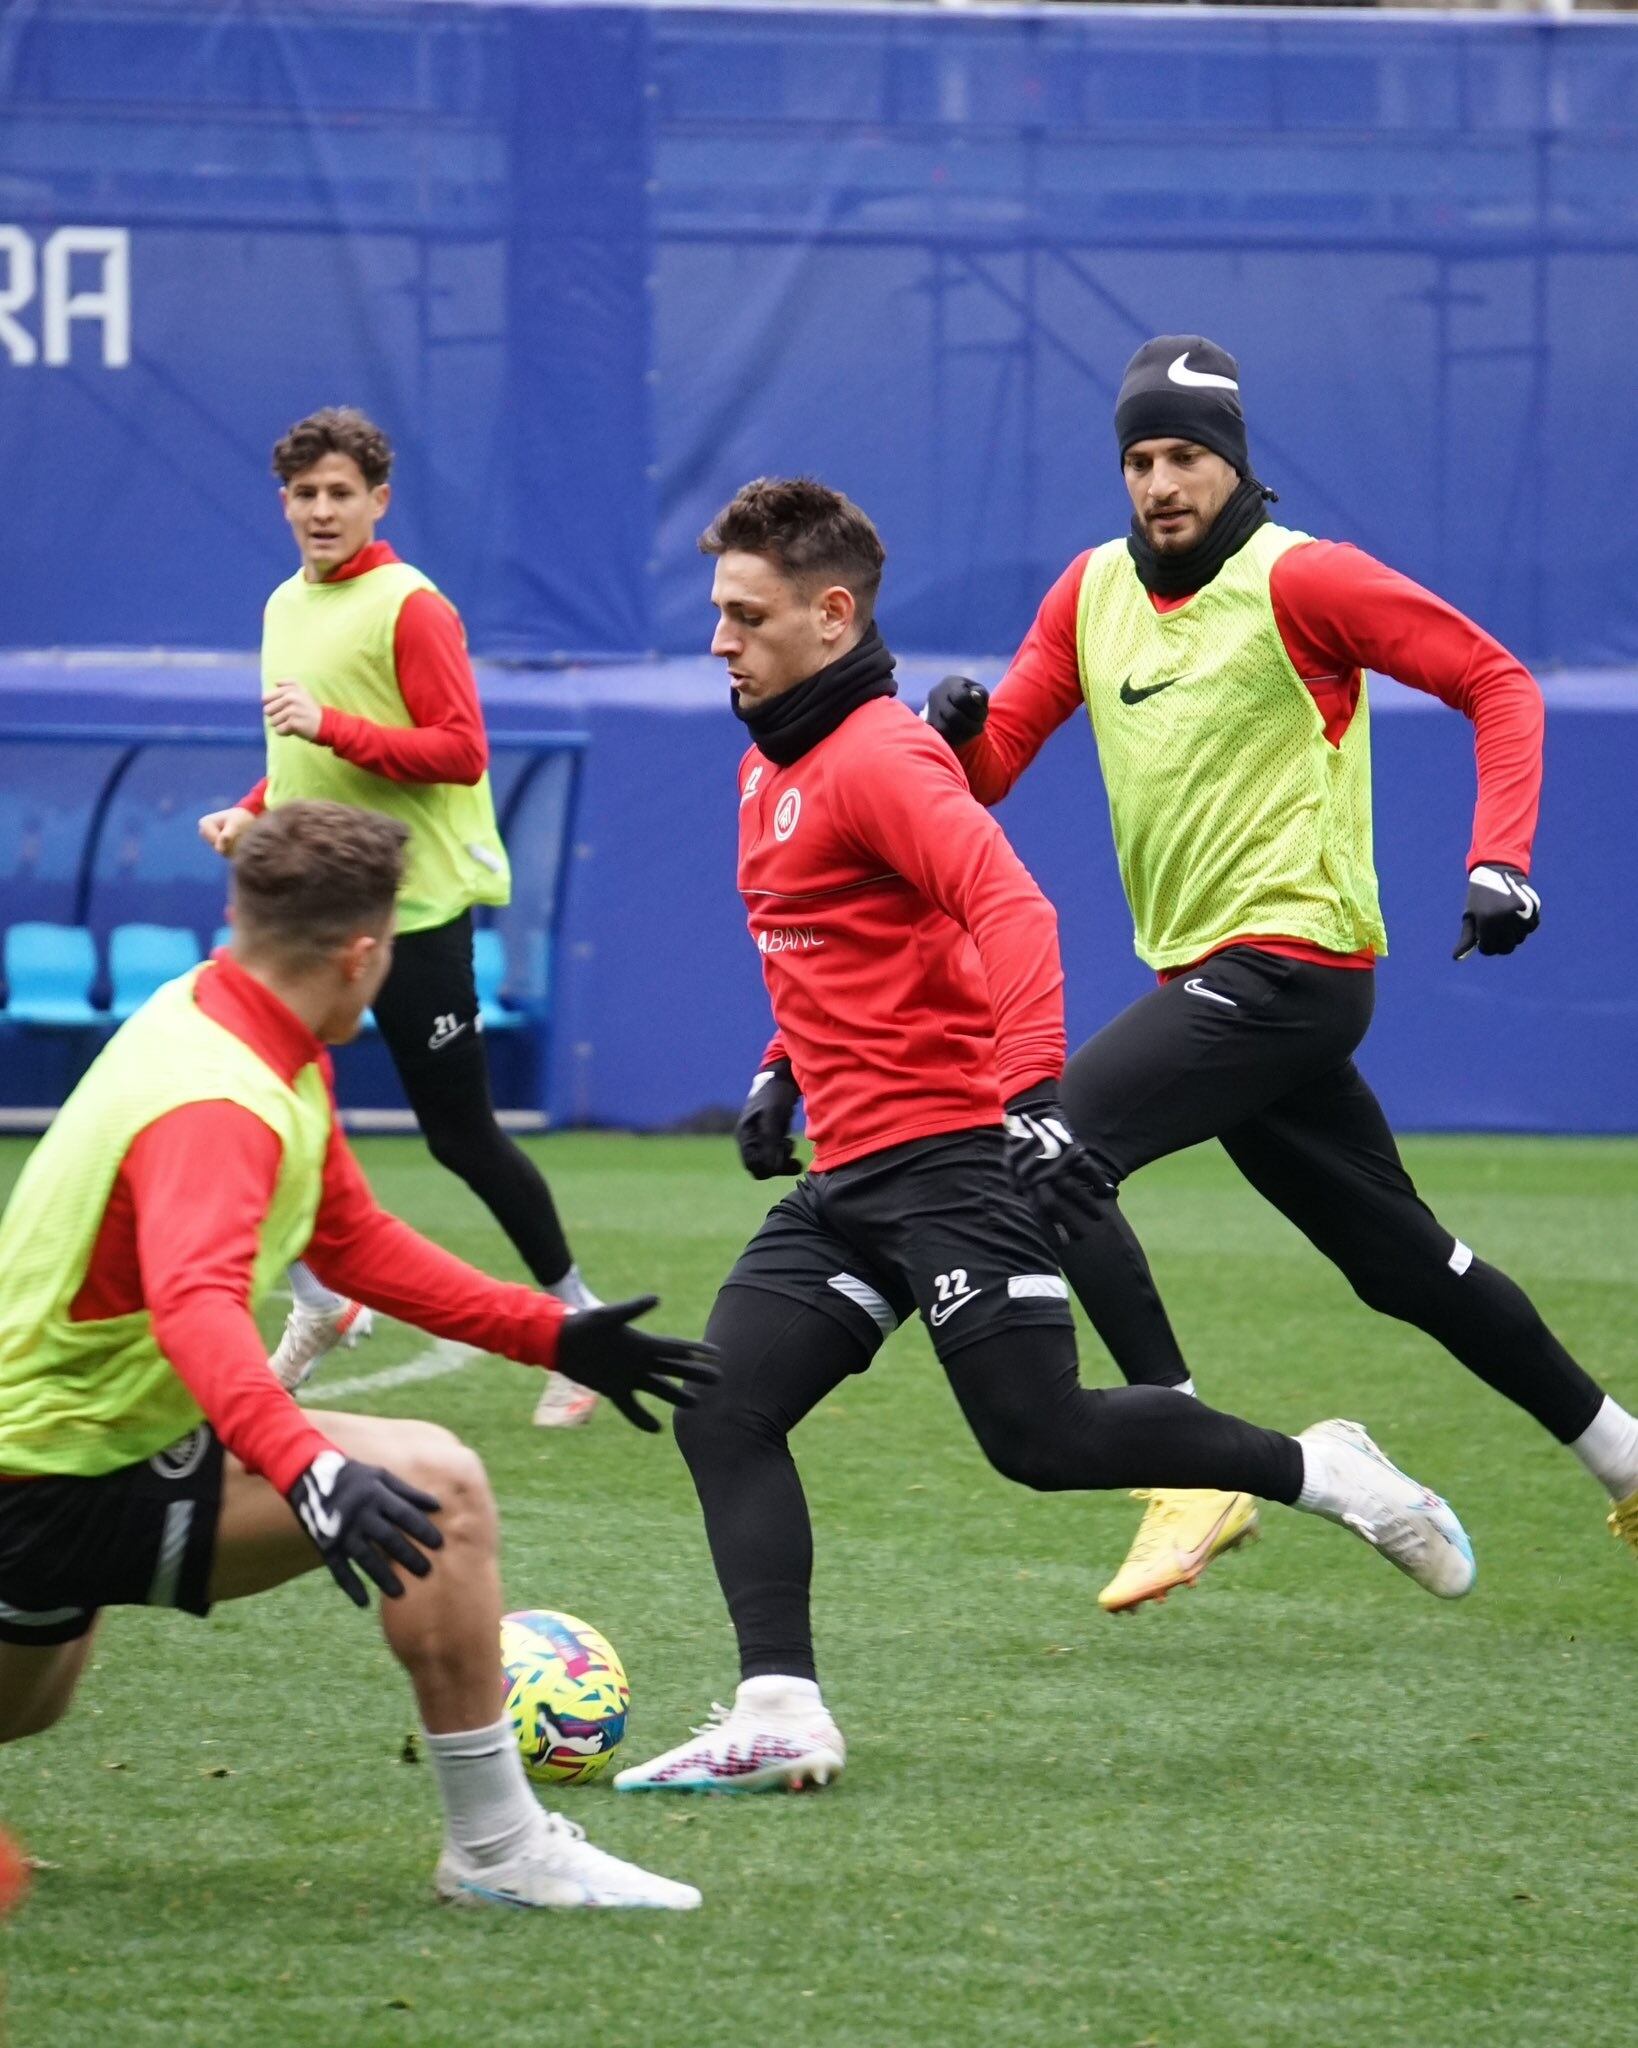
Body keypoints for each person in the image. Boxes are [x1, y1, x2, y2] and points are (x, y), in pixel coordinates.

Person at [613, 477, 1475, 1797]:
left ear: (831, 616)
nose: (718, 640)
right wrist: (778, 1069)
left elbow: (1012, 913)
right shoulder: (765, 763)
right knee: (724, 1408)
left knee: (1040, 1444)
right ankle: (781, 1710)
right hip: (848, 1179)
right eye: (718, 613)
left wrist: (1024, 1099)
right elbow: (850, 949)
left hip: (952, 1161)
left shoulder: (884, 761)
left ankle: (1324, 1471)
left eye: (744, 614)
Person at [923, 334, 1638, 1614]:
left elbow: (1495, 679)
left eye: (1185, 454)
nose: (1159, 481)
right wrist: (957, 735)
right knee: (1404, 1263)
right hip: (1221, 985)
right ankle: (1624, 1455)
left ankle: (1189, 1452)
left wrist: (1503, 858)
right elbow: (991, 776)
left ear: (1235, 462)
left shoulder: (1303, 579)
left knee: (1042, 1143)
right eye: (1139, 458)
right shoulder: (1086, 593)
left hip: (1290, 968)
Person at [0, 802, 716, 1910]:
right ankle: (495, 1849)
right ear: (366, 951)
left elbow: (348, 1238)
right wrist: (309, 1466)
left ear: (240, 912)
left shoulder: (228, 1012)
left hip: (96, 1442)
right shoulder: (219, 1098)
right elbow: (193, 1302)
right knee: (443, 1485)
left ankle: (494, 1848)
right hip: (52, 1476)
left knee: (29, 1703)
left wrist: (552, 1331)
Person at [199, 407, 600, 1428]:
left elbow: (460, 748)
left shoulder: (411, 605)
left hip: (409, 911)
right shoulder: (283, 603)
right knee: (245, 1099)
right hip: (306, 906)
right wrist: (251, 808)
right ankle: (323, 1301)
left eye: (342, 492)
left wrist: (328, 725)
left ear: (379, 499)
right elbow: (305, 753)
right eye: (305, 493)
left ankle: (579, 1326)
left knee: (461, 1137)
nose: (322, 509)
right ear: (284, 502)